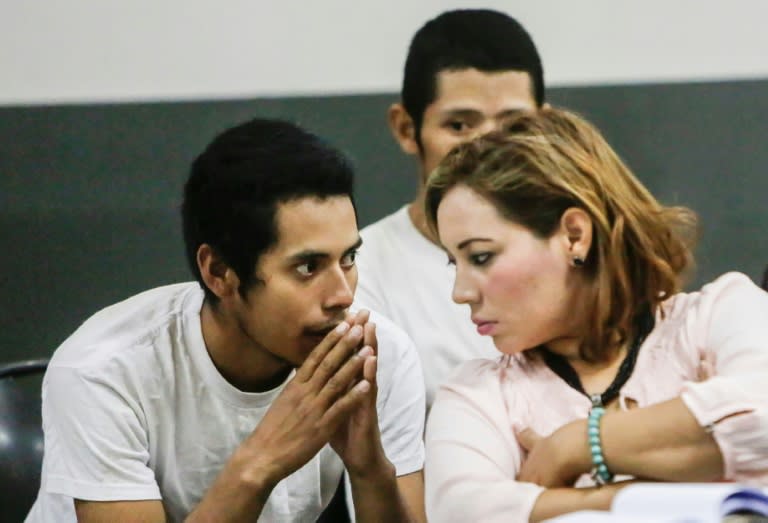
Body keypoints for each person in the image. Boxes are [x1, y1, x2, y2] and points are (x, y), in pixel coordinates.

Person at [26, 119, 426, 522]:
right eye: (307, 267)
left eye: (349, 258)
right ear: (218, 271)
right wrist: (261, 462)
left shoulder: (376, 353)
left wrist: (370, 471)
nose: (343, 295)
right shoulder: (102, 370)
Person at [423, 108, 768, 522]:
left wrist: (576, 446)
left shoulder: (720, 312)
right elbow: (463, 513)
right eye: (454, 263)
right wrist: (667, 490)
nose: (460, 292)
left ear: (574, 235)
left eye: (481, 256)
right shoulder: (479, 394)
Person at [355, 9, 546, 408]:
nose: (489, 148)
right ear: (406, 129)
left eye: (516, 124)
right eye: (460, 125)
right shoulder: (360, 274)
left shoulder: (577, 253)